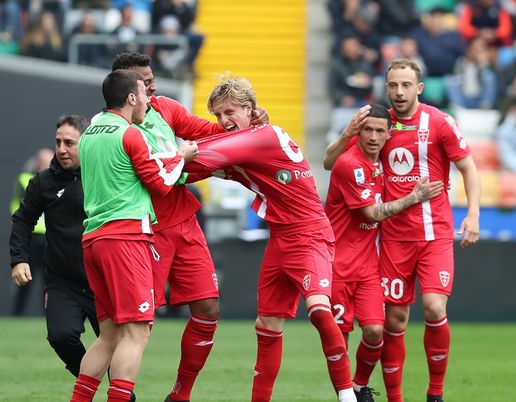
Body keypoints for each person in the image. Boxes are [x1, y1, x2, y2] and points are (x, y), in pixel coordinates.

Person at [184, 74, 356, 402]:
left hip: (310, 234)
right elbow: (195, 167)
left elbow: (199, 156)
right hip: (280, 238)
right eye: (219, 115)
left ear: (250, 109)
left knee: (320, 312)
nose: (224, 121)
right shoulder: (247, 143)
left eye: (230, 112)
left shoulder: (262, 137)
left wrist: (159, 154)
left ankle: (348, 396)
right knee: (267, 326)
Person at [108, 52, 268, 402]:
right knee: (136, 324)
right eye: (145, 83)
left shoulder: (166, 107)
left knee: (208, 308)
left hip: (184, 221)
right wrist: (193, 161)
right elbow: (165, 172)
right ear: (128, 90)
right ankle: (121, 394)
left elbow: (209, 132)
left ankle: (181, 394)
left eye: (153, 80)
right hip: (144, 229)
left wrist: (245, 125)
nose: (153, 87)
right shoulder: (119, 130)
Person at [323, 59, 481, 402]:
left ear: (419, 88)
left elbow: (468, 166)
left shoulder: (439, 122)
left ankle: (435, 393)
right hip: (393, 237)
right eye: (393, 85)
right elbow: (331, 161)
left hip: (435, 232)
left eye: (406, 85)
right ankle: (389, 395)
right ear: (386, 87)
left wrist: (473, 214)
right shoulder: (377, 125)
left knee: (435, 309)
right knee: (393, 320)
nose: (399, 92)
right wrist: (347, 133)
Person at [69, 69, 197, 402]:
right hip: (126, 239)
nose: (147, 101)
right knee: (137, 332)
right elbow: (161, 182)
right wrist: (181, 156)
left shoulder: (91, 132)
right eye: (143, 95)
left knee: (108, 335)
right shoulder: (130, 134)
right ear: (130, 98)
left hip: (93, 238)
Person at [325, 105, 444, 401]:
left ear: (389, 134)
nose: (374, 137)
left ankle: (358, 385)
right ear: (358, 132)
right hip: (337, 263)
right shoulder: (350, 163)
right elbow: (374, 212)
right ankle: (347, 396)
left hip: (367, 266)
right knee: (340, 338)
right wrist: (414, 197)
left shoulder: (381, 161)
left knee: (376, 332)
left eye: (380, 131)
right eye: (368, 130)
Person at [10, 116, 100, 376]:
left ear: (87, 144)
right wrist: (19, 258)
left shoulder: (106, 176)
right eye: (58, 142)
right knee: (60, 338)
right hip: (63, 281)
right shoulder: (43, 181)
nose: (61, 149)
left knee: (115, 346)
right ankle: (90, 384)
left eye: (69, 143)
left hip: (103, 280)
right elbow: (22, 219)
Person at [10, 147, 53, 316]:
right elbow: (17, 206)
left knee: (49, 281)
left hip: (50, 238)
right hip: (32, 236)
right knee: (24, 277)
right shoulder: (25, 180)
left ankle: (48, 315)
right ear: (38, 162)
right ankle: (17, 314)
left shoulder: (56, 180)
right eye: (45, 160)